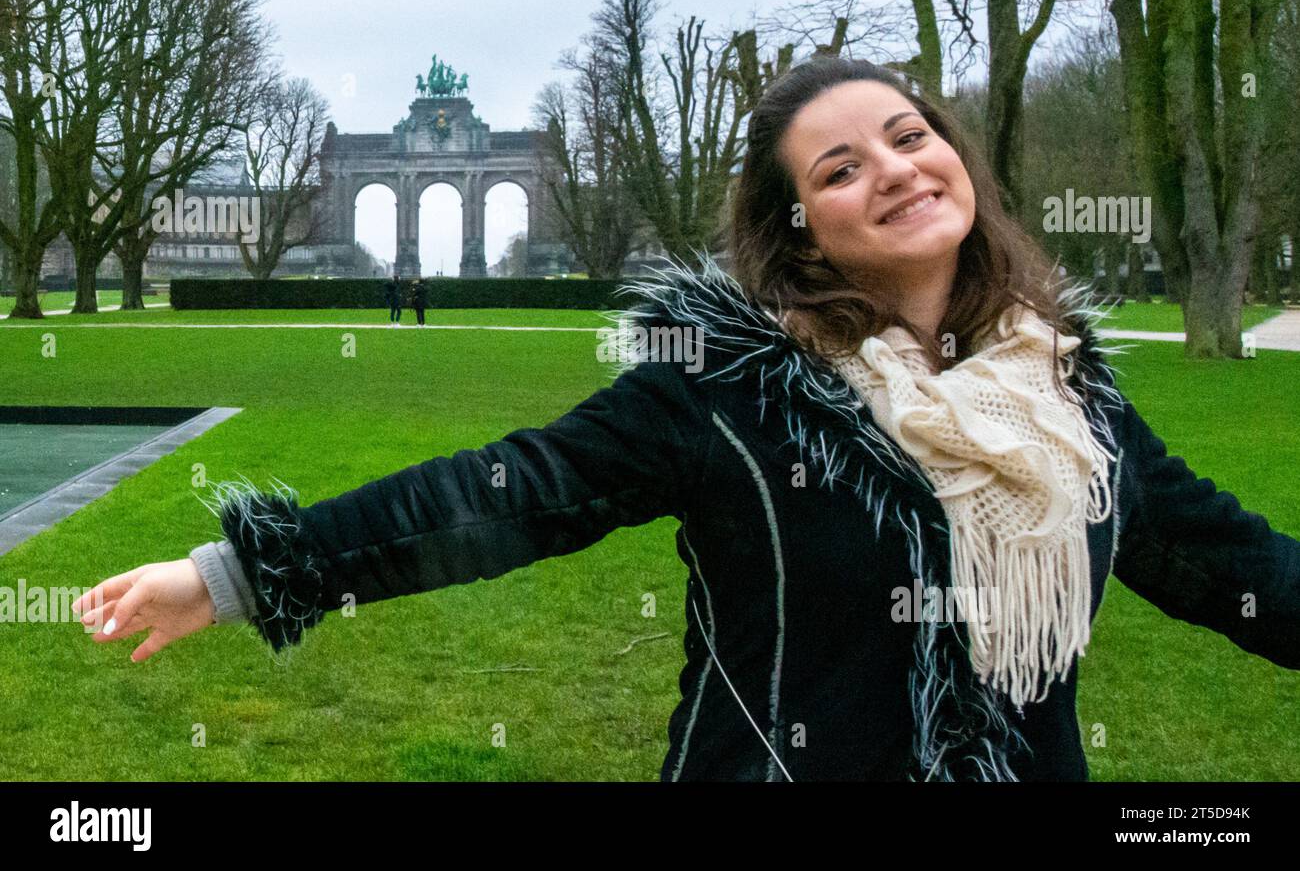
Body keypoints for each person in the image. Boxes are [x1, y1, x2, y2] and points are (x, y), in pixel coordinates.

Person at [73, 56, 1300, 781]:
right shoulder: (718, 382)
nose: (894, 169)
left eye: (907, 135)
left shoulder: (1068, 391)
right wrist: (237, 572)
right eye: (837, 168)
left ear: (956, 159)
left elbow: (1226, 562)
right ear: (799, 225)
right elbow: (510, 490)